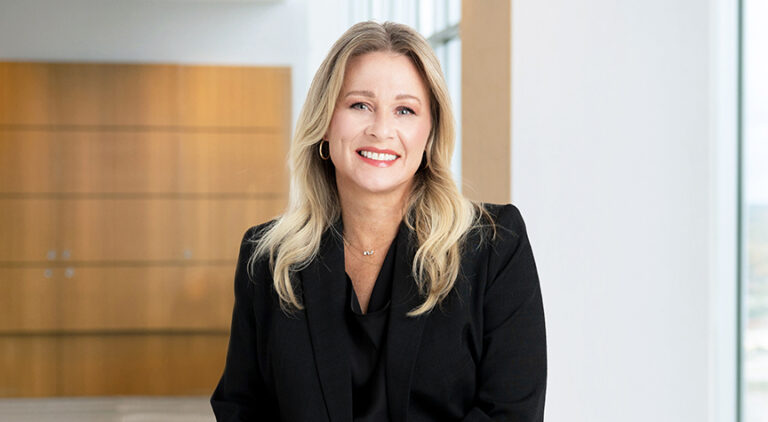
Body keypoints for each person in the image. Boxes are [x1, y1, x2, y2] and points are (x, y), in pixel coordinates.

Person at [211, 20, 546, 422]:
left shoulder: (495, 245)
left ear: (430, 133)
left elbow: (510, 412)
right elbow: (241, 407)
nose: (381, 130)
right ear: (325, 122)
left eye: (405, 110)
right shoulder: (268, 257)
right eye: (359, 105)